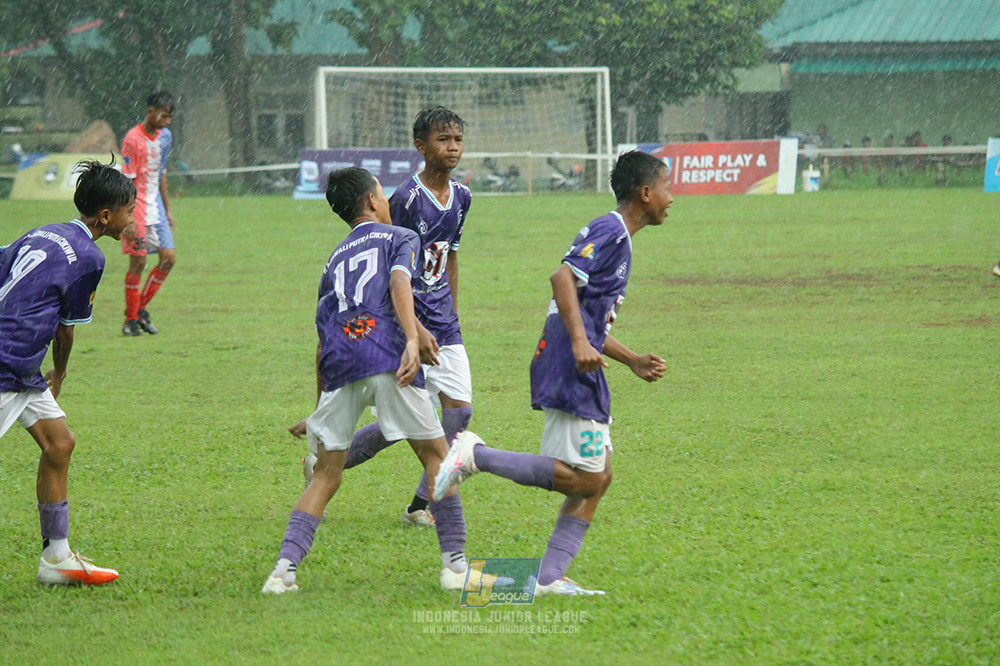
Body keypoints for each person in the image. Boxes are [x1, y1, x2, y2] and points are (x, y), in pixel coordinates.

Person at [432, 150, 669, 596]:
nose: (670, 199)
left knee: (599, 477)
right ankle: (474, 455)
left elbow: (586, 312)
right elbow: (562, 278)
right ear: (645, 192)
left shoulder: (620, 236)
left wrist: (630, 358)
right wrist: (581, 342)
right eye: (666, 188)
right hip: (568, 358)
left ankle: (547, 577)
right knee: (586, 478)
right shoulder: (612, 230)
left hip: (575, 355)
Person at [263, 167, 470, 594]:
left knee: (325, 475)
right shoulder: (400, 237)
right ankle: (455, 566)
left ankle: (283, 572)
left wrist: (318, 407)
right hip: (386, 355)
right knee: (437, 458)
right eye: (383, 193)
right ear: (375, 201)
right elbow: (399, 282)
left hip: (341, 363)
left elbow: (322, 339)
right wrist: (412, 338)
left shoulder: (333, 258)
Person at [302, 107, 473, 528]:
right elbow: (390, 266)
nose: (452, 147)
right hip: (405, 323)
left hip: (443, 324)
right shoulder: (405, 200)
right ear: (421, 147)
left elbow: (449, 258)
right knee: (407, 421)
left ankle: (419, 503)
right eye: (442, 140)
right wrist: (415, 327)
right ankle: (325, 466)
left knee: (458, 414)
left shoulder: (463, 198)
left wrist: (450, 311)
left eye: (457, 139)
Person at [0, 159, 135, 585]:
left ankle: (56, 560)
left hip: (20, 364)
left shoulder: (44, 231)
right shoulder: (90, 257)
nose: (132, 219)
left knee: (59, 444)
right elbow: (65, 327)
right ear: (106, 216)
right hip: (10, 362)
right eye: (129, 211)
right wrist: (60, 372)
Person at [120, 91, 177, 336]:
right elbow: (126, 181)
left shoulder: (166, 137)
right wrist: (128, 218)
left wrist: (168, 209)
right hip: (137, 209)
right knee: (139, 262)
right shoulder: (132, 140)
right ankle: (130, 321)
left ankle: (138, 310)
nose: (166, 122)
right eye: (163, 116)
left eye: (170, 118)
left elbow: (161, 172)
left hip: (157, 208)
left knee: (169, 258)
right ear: (150, 112)